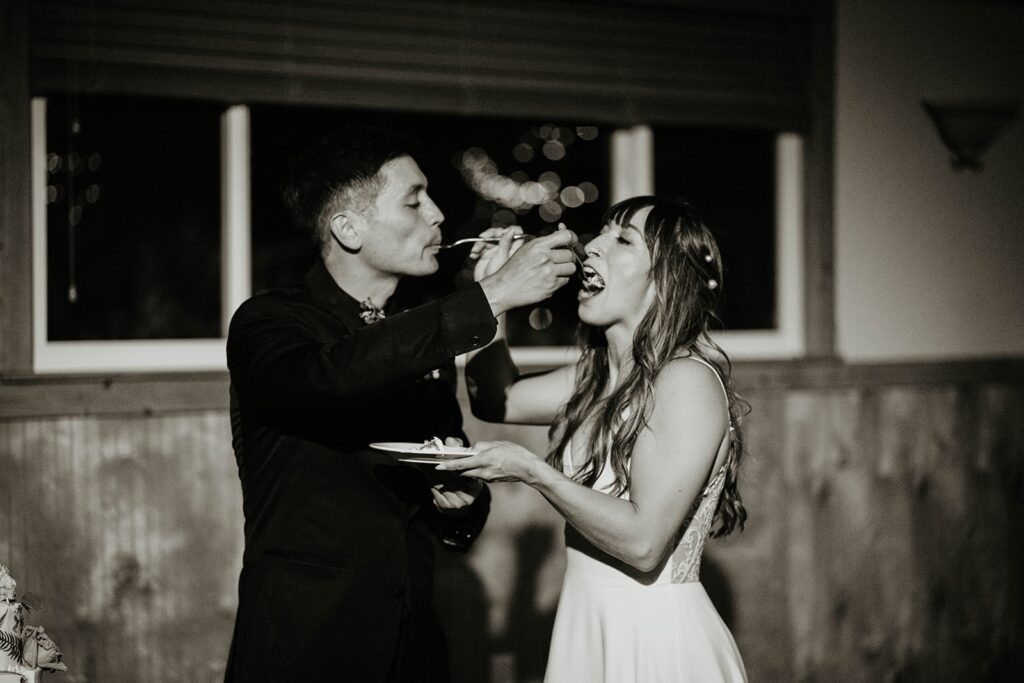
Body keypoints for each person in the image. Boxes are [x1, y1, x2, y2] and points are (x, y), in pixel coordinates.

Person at [223, 125, 578, 682]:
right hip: (303, 647)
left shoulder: (422, 337)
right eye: (414, 201)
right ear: (348, 228)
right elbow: (333, 376)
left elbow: (451, 471)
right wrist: (493, 295)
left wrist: (458, 505)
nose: (438, 215)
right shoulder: (268, 322)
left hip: (413, 649)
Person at [442, 195, 750, 682]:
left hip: (655, 640)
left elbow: (644, 542)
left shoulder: (686, 381)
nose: (592, 248)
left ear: (666, 281)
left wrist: (533, 471)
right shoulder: (595, 377)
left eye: (622, 239)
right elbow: (495, 400)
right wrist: (493, 296)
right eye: (601, 232)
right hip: (585, 623)